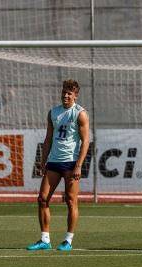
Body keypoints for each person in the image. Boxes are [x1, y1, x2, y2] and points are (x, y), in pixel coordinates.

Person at [27, 79, 90, 251]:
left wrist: (79, 165)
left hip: (71, 162)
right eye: (64, 92)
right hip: (54, 161)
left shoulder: (80, 114)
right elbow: (48, 138)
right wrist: (43, 160)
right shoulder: (53, 113)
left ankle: (68, 240)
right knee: (42, 198)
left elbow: (85, 142)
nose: (66, 95)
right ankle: (45, 240)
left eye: (70, 93)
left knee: (70, 201)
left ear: (75, 96)